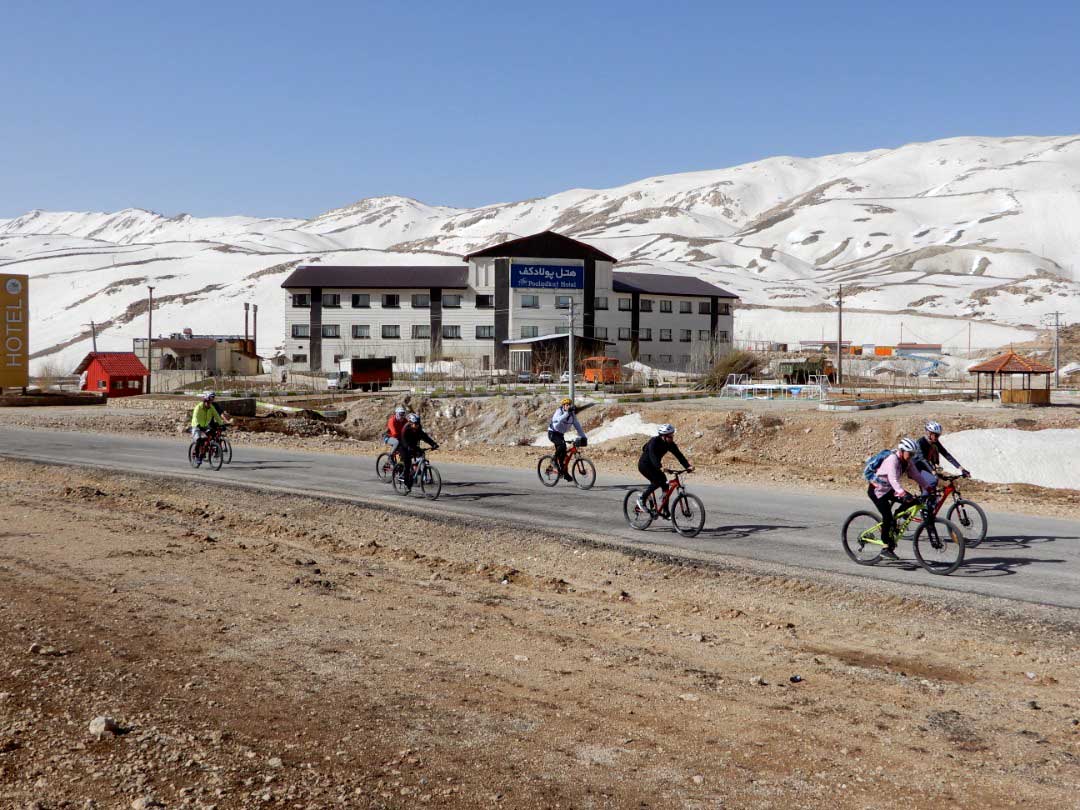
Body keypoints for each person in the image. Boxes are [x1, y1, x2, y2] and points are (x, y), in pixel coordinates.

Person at [868, 437, 937, 560]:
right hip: (877, 490)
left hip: (889, 489)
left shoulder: (908, 461)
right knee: (887, 517)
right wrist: (902, 493)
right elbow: (893, 479)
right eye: (909, 454)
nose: (911, 456)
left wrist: (928, 487)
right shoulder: (892, 459)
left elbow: (916, 475)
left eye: (913, 454)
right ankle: (885, 547)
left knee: (914, 501)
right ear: (902, 450)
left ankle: (896, 517)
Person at [636, 424, 693, 515]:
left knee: (665, 485)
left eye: (673, 435)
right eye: (670, 436)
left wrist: (687, 466)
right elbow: (652, 456)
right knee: (657, 482)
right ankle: (642, 499)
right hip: (645, 465)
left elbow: (679, 456)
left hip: (655, 466)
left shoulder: (670, 444)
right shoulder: (654, 441)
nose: (672, 438)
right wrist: (660, 467)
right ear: (663, 436)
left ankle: (665, 510)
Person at [548, 398, 586, 481]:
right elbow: (557, 420)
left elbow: (578, 426)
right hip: (553, 433)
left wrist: (583, 437)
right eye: (566, 405)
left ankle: (564, 473)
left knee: (563, 456)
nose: (568, 406)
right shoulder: (559, 411)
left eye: (569, 404)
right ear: (563, 406)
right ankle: (553, 460)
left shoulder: (572, 415)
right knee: (562, 445)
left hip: (560, 434)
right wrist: (566, 413)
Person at [398, 412, 438, 491]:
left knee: (421, 455)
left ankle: (416, 472)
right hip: (404, 447)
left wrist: (433, 444)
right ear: (411, 423)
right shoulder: (405, 429)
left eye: (418, 423)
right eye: (415, 424)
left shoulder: (418, 428)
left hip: (413, 446)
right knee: (408, 464)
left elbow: (425, 437)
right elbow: (404, 440)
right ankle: (406, 484)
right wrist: (409, 447)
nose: (417, 425)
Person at [190, 392, 226, 467]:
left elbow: (217, 416)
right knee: (199, 440)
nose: (210, 405)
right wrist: (198, 425)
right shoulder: (198, 407)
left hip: (205, 425)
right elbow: (195, 417)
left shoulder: (211, 407)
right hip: (196, 426)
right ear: (205, 401)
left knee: (210, 436)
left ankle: (202, 454)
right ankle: (197, 456)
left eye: (210, 403)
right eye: (208, 403)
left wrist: (222, 424)